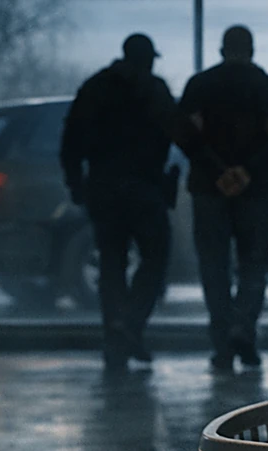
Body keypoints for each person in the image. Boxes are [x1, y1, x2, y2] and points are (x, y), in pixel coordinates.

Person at [177, 25, 268, 373]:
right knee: (254, 266)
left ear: (221, 48)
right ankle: (245, 331)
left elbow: (184, 133)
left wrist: (217, 170)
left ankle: (222, 345)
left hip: (209, 189)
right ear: (252, 49)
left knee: (214, 267)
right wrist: (248, 171)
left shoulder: (200, 86)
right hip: (256, 190)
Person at [60, 34, 178, 371]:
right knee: (155, 259)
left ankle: (116, 335)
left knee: (111, 263)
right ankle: (132, 324)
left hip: (104, 189)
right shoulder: (155, 90)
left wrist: (76, 183)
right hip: (146, 190)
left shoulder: (95, 88)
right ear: (148, 59)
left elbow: (71, 140)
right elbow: (180, 133)